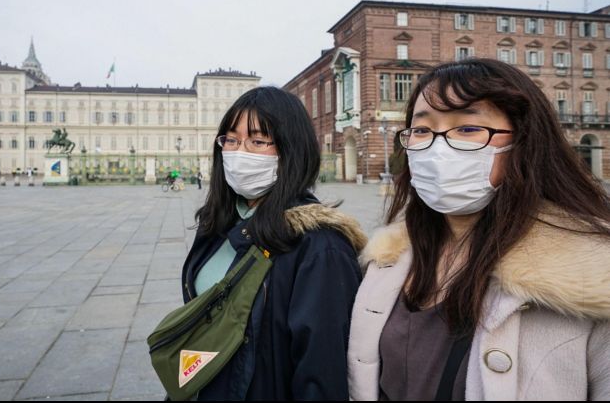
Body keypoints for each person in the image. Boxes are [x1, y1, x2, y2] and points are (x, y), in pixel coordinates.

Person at [347, 58, 610, 401]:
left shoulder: (593, 274)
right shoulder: (387, 259)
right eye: (422, 130)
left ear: (523, 141)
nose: (438, 147)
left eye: (468, 128)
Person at [181, 86, 366, 400]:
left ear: (290, 149)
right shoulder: (219, 223)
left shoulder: (321, 249)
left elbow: (320, 377)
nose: (239, 152)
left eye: (257, 141)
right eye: (231, 140)